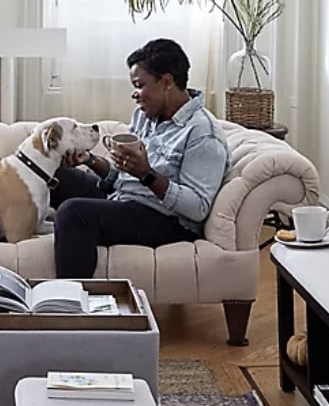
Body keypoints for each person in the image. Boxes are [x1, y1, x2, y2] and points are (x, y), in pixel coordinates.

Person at [51, 37, 230, 279]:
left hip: (165, 220)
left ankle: (71, 308)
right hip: (125, 198)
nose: (135, 95)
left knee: (73, 213)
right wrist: (90, 160)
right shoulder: (145, 116)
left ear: (166, 81)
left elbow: (197, 208)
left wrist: (147, 175)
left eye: (139, 85)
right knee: (52, 175)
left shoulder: (202, 133)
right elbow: (120, 177)